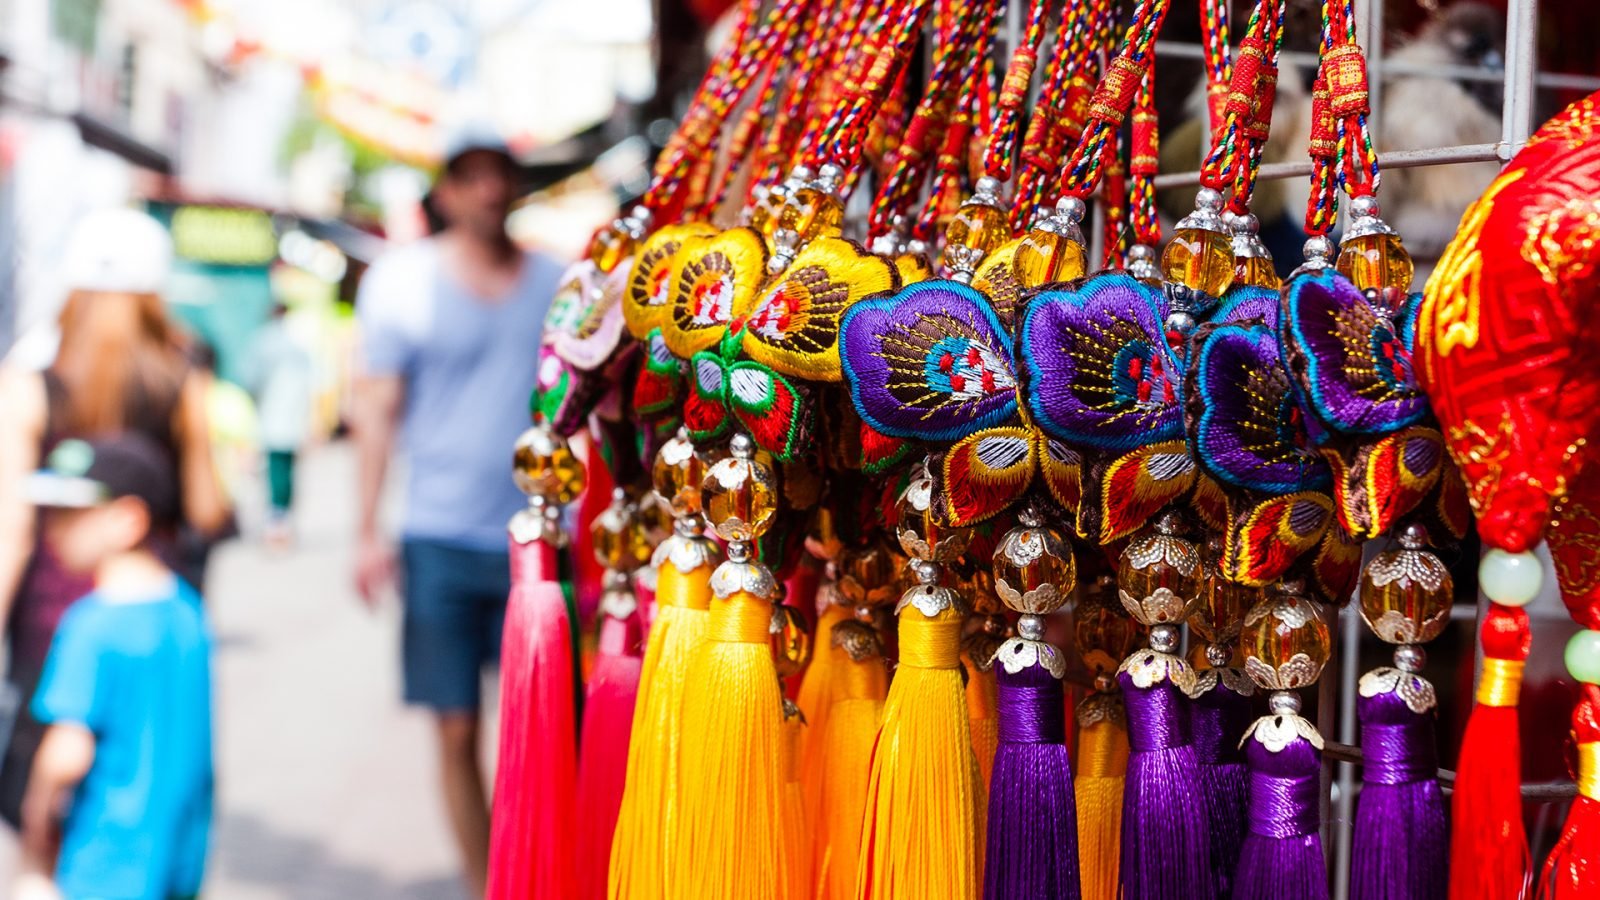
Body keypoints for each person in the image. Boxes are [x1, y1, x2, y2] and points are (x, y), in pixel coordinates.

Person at [350, 126, 561, 896]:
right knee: (455, 725)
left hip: (537, 536)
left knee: (539, 727)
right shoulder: (402, 282)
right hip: (437, 535)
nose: (488, 189)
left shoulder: (557, 282)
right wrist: (365, 531)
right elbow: (375, 409)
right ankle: (486, 881)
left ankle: (531, 869)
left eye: (498, 173)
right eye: (470, 176)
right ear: (444, 192)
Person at [0, 208, 229, 829]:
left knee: (43, 804)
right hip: (149, 615)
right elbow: (207, 505)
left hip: (52, 619)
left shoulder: (28, 385)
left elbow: (12, 530)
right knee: (142, 796)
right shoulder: (182, 379)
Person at [15, 434, 213, 900]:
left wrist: (36, 817)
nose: (54, 530)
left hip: (101, 864)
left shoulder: (90, 626)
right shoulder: (188, 611)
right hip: (179, 857)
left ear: (128, 520)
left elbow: (67, 753)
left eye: (71, 515)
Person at [245, 301, 312, 546]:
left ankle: (277, 520)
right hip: (294, 418)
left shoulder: (263, 342)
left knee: (275, 471)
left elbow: (251, 378)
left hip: (272, 416)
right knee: (287, 470)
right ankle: (282, 518)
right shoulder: (298, 342)